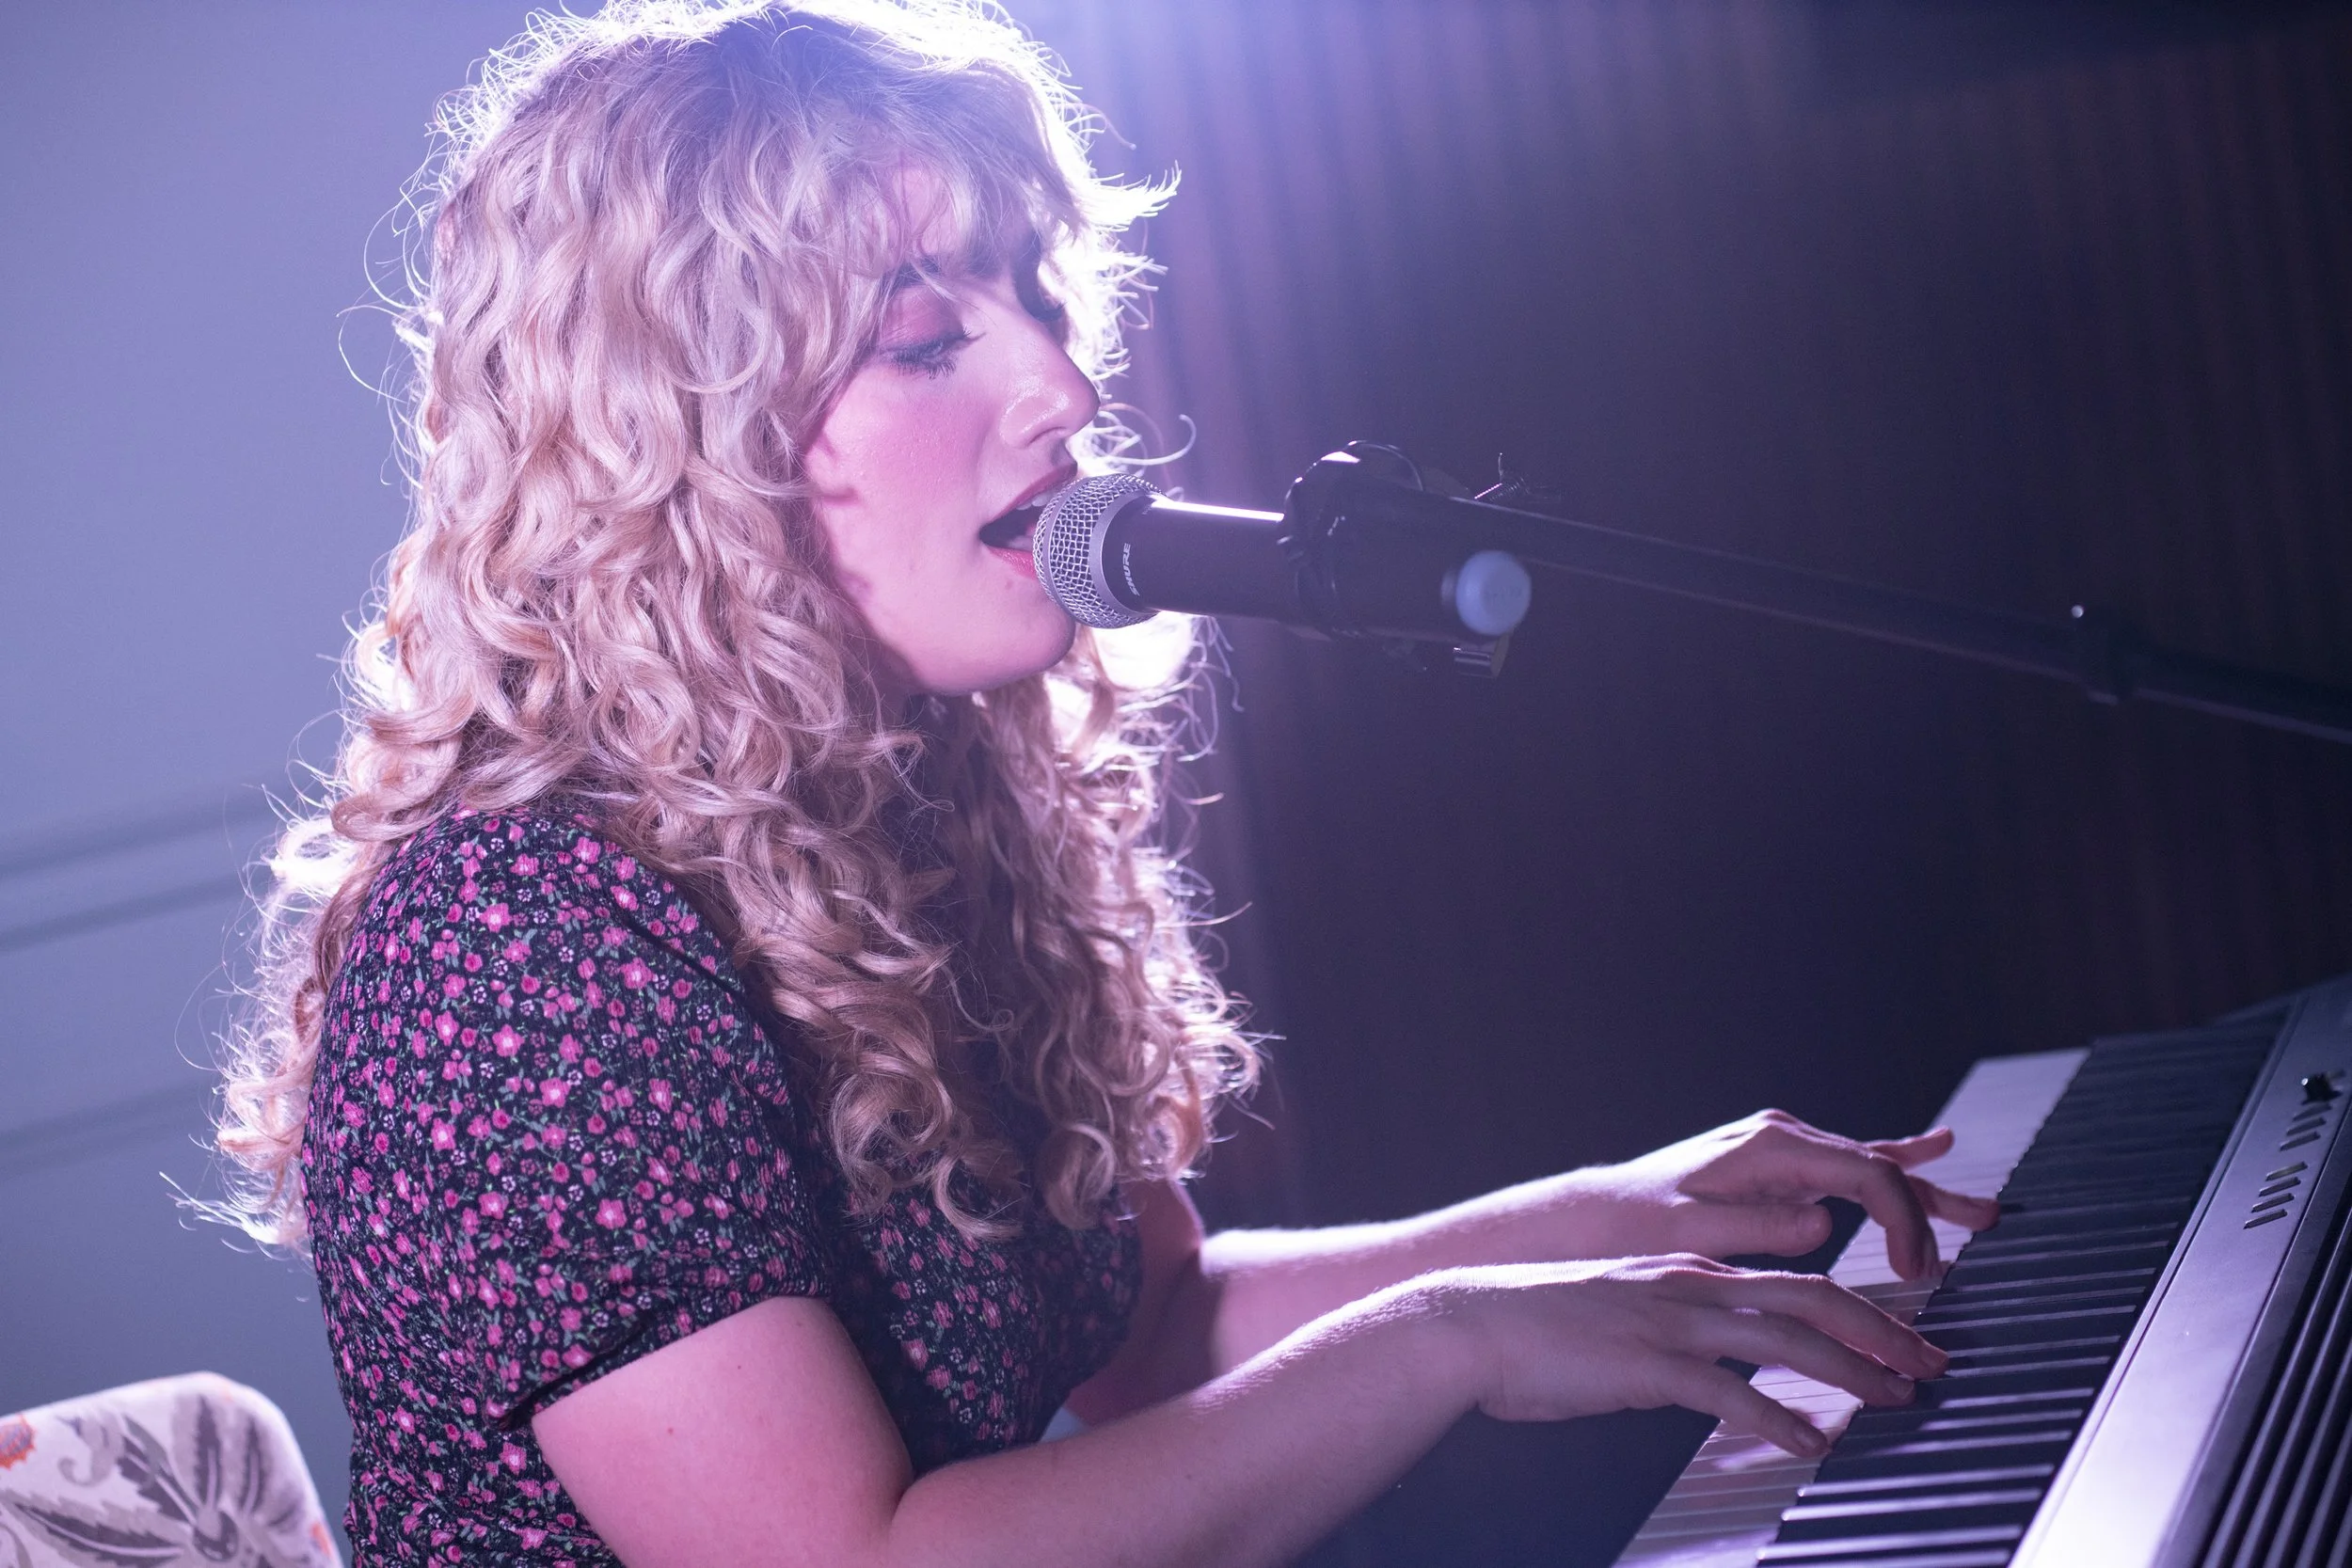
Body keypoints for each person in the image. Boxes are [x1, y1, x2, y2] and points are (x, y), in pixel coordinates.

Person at [215, 3, 2000, 1563]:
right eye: (925, 338)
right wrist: (1455, 1337)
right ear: (680, 445)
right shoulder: (515, 945)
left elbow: (1152, 1328)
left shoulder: (921, 801)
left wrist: (1622, 1214)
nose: (1067, 386)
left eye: (1040, 297)